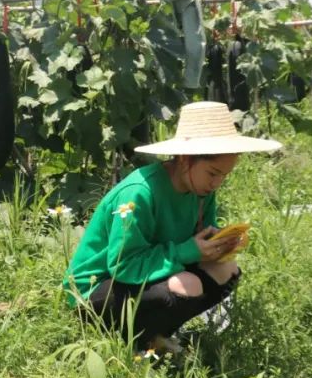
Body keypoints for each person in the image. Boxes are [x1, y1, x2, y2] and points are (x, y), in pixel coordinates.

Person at [62, 101, 281, 354]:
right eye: (212, 173)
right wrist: (189, 252)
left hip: (145, 276)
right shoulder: (139, 193)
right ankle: (138, 343)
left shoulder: (200, 190)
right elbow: (124, 264)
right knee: (187, 285)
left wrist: (221, 242)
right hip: (95, 290)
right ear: (186, 160)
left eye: (224, 175)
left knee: (226, 270)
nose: (217, 183)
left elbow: (198, 235)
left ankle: (157, 334)